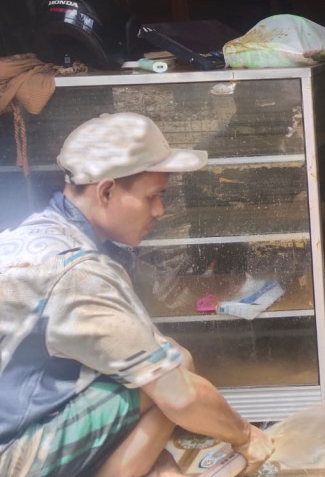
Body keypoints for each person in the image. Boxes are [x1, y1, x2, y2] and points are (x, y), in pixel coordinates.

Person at [0, 113, 274, 477]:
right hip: (13, 457)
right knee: (173, 371)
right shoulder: (78, 275)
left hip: (24, 420)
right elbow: (183, 396)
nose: (159, 210)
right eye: (152, 196)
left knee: (153, 385)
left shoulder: (35, 233)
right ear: (107, 191)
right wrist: (245, 436)